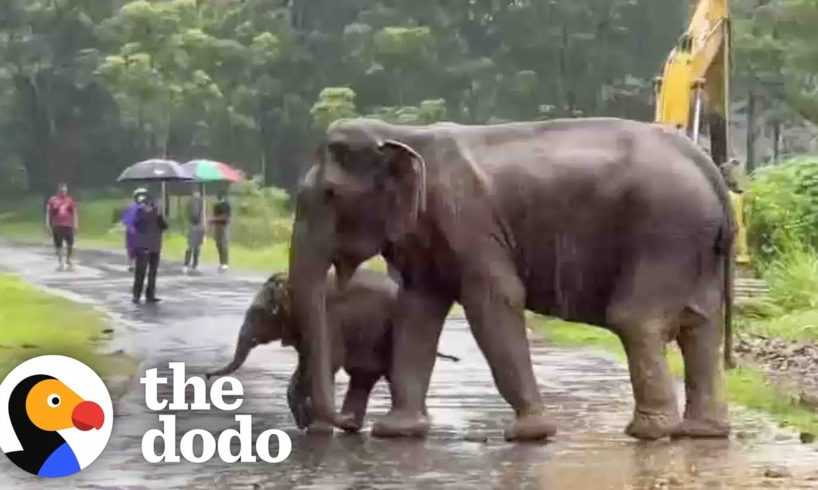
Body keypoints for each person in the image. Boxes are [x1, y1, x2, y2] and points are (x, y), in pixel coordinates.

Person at [132, 194, 167, 304]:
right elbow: (164, 226)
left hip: (143, 246)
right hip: (153, 245)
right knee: (151, 272)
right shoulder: (156, 214)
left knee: (141, 272)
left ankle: (137, 295)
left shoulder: (139, 213)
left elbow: (136, 226)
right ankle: (149, 295)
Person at [45, 183, 78, 271]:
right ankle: (61, 262)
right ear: (58, 191)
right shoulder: (53, 200)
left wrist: (75, 224)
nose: (64, 192)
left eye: (65, 191)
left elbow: (74, 212)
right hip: (57, 225)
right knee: (58, 245)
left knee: (70, 244)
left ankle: (68, 260)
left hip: (68, 225)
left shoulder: (69, 200)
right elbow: (49, 213)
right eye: (62, 191)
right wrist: (48, 224)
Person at [122, 188, 148, 271]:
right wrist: (131, 228)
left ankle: (141, 264)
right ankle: (131, 265)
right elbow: (127, 220)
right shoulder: (132, 207)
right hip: (133, 232)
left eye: (143, 195)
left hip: (143, 232)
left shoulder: (147, 207)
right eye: (140, 195)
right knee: (132, 249)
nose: (142, 197)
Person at [183, 189, 205, 274]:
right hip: (196, 226)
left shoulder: (196, 202)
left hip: (195, 226)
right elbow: (195, 215)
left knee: (193, 246)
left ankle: (190, 263)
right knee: (194, 246)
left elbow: (194, 215)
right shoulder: (197, 203)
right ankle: (193, 264)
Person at [210, 191, 231, 271]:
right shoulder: (216, 206)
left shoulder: (226, 205)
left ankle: (225, 262)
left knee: (223, 244)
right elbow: (214, 215)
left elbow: (226, 217)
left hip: (224, 226)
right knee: (219, 244)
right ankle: (222, 262)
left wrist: (214, 220)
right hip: (218, 226)